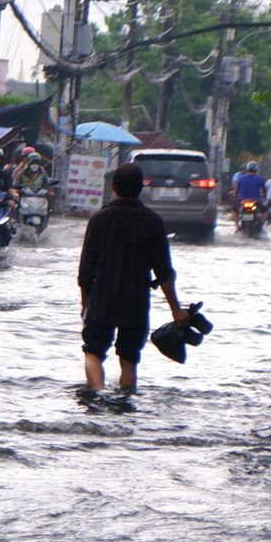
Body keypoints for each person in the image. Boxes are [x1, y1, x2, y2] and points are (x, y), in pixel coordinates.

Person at [78, 163, 191, 392]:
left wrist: (85, 302)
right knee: (129, 359)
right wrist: (176, 310)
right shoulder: (152, 221)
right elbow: (164, 271)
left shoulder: (99, 219)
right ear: (142, 187)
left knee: (94, 351)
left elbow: (85, 271)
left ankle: (98, 395)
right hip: (136, 301)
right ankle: (124, 404)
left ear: (113, 186)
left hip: (102, 299)